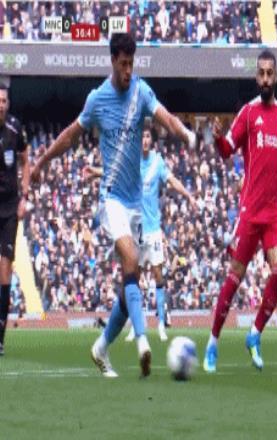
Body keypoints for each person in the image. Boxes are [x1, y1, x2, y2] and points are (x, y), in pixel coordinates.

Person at [31, 33, 196, 378]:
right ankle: (143, 342)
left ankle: (101, 347)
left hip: (136, 204)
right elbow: (69, 136)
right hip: (111, 199)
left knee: (129, 283)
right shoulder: (98, 99)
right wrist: (42, 161)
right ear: (112, 61)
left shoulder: (141, 91)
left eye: (131, 64)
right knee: (132, 261)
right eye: (123, 64)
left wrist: (186, 134)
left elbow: (165, 117)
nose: (128, 70)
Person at [203, 49, 277, 373]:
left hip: (274, 213)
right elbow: (227, 150)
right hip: (250, 211)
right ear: (255, 77)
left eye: (269, 73)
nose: (264, 79)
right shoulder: (248, 114)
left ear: (276, 77)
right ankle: (213, 343)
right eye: (260, 73)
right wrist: (217, 139)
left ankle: (255, 333)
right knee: (234, 277)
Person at [85, 125, 197, 342]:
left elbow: (172, 180)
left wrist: (188, 195)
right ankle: (135, 325)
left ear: (151, 140)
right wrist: (96, 172)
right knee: (133, 276)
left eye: (147, 136)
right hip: (135, 228)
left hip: (153, 229)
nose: (144, 140)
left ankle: (161, 323)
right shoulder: (132, 160)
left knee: (158, 275)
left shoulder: (157, 162)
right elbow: (114, 172)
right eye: (142, 136)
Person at [0, 85, 29, 356]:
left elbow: (25, 159)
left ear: (8, 104)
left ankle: (0, 337)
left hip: (10, 208)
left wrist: (24, 197)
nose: (1, 104)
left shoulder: (15, 128)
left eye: (4, 101)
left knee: (5, 271)